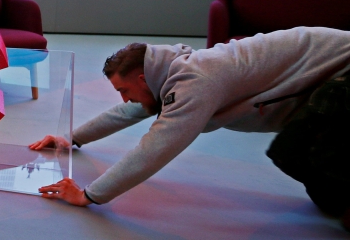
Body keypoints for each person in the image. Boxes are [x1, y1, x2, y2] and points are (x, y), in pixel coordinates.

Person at [30, 27, 350, 229]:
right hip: (327, 75)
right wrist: (69, 138)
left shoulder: (196, 81)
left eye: (124, 90)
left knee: (297, 149)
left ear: (143, 78)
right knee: (310, 167)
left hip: (344, 72)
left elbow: (156, 147)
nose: (125, 98)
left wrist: (88, 195)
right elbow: (129, 111)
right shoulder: (169, 70)